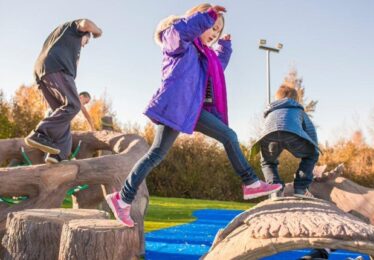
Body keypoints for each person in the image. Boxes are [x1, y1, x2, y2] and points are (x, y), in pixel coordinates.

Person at [106, 4, 281, 227]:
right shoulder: (177, 41)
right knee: (155, 154)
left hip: (193, 111)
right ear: (197, 21)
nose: (214, 33)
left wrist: (225, 47)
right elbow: (181, 31)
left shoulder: (203, 55)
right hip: (176, 106)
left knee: (228, 136)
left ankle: (251, 182)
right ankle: (123, 198)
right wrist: (206, 17)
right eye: (211, 27)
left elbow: (216, 67)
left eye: (217, 31)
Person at [24, 19, 102, 164]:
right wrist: (98, 31)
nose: (84, 45)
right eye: (86, 42)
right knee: (73, 105)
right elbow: (86, 23)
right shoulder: (74, 30)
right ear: (85, 35)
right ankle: (40, 133)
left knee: (62, 115)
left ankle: (58, 154)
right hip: (57, 68)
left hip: (43, 71)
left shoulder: (59, 37)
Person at [250, 85, 319, 198]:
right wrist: (314, 148)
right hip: (292, 134)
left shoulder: (270, 112)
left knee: (267, 162)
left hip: (269, 137)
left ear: (277, 99)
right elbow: (310, 130)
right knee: (311, 155)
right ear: (296, 99)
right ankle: (301, 189)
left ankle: (275, 190)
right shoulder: (298, 110)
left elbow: (265, 130)